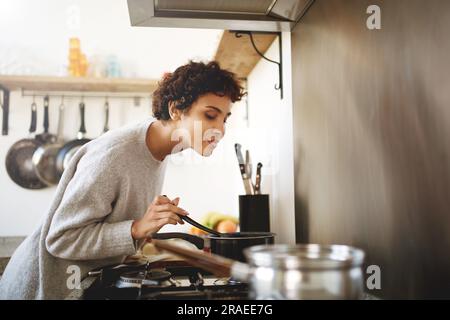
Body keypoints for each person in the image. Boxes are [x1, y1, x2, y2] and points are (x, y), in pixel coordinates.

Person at [0, 61, 244, 299]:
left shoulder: (164, 145)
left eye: (224, 118)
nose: (220, 129)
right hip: (39, 289)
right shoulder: (114, 155)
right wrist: (136, 228)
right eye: (210, 115)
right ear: (175, 110)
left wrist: (144, 228)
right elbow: (61, 239)